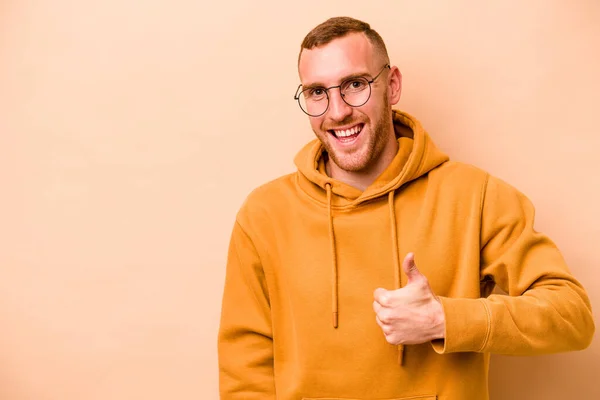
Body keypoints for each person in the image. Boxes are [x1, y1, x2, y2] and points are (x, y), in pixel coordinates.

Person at [217, 16, 595, 400]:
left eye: (355, 85)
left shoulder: (473, 195)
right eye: (317, 92)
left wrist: (445, 320)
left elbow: (572, 317)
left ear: (392, 85)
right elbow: (244, 374)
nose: (337, 111)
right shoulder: (263, 214)